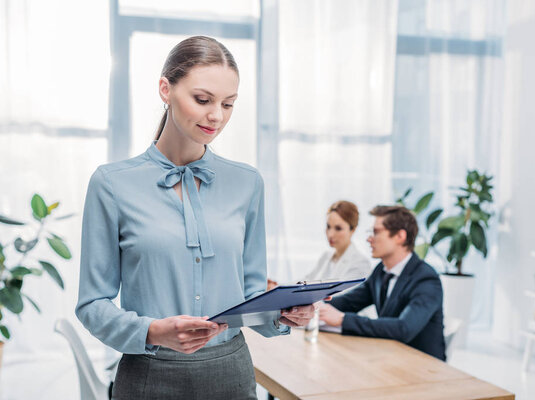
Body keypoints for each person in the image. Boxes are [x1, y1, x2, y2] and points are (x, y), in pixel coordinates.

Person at [76, 36, 316, 400]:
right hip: (148, 374)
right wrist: (154, 331)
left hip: (231, 372)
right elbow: (92, 304)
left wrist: (282, 313)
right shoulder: (111, 184)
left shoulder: (247, 183)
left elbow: (251, 292)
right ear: (165, 89)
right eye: (202, 100)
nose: (216, 115)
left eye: (228, 104)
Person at [319, 205, 446, 361]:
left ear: (400, 236)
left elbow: (404, 328)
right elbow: (349, 301)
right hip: (390, 357)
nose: (369, 238)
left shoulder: (426, 279)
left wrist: (343, 319)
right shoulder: (381, 270)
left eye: (376, 232)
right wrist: (312, 303)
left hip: (422, 367)